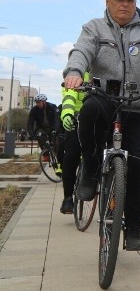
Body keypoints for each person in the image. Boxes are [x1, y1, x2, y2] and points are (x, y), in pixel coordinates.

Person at [63, 0, 140, 251]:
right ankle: (90, 170)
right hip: (104, 98)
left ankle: (134, 225)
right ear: (107, 1)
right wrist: (75, 71)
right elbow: (82, 50)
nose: (124, 4)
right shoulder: (94, 27)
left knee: (138, 166)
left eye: (129, 0)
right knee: (89, 110)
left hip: (138, 105)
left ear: (135, 3)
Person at [59, 78, 88, 214]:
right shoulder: (75, 76)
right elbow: (69, 97)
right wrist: (67, 114)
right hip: (75, 120)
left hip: (96, 121)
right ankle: (68, 198)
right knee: (70, 157)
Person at [27, 94, 63, 175]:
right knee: (40, 135)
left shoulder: (53, 107)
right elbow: (30, 123)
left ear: (44, 102)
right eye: (36, 102)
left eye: (39, 102)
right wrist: (31, 134)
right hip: (42, 128)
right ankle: (46, 154)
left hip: (52, 127)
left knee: (57, 145)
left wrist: (56, 130)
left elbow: (57, 120)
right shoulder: (34, 110)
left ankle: (59, 165)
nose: (37, 104)